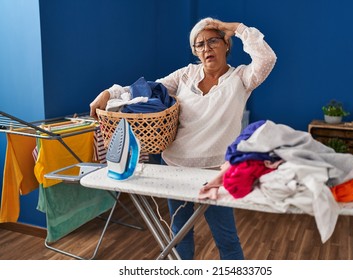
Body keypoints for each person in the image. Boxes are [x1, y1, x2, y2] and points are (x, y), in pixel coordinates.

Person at [90, 17, 277, 260]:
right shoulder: (185, 75)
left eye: (213, 41)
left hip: (215, 173)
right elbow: (146, 90)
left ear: (226, 45)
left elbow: (267, 59)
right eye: (200, 44)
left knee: (226, 238)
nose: (206, 48)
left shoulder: (242, 78)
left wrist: (238, 29)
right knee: (179, 234)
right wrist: (110, 93)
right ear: (195, 51)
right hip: (175, 167)